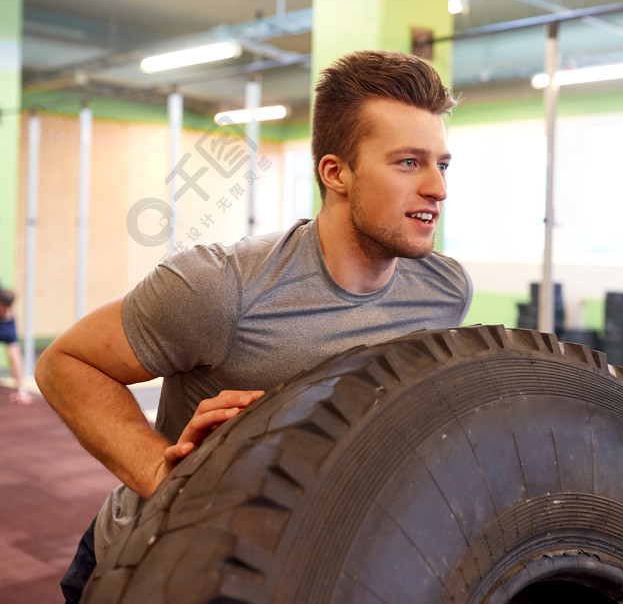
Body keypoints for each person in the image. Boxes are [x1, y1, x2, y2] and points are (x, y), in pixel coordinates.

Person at [35, 49, 473, 602]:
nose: (438, 187)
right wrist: (162, 479)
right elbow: (65, 363)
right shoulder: (221, 287)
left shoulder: (444, 291)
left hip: (299, 554)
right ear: (336, 173)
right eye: (408, 163)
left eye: (443, 164)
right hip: (155, 559)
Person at [0, 287, 31, 405]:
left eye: (6, 307)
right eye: (1, 306)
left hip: (5, 325)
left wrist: (21, 390)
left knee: (14, 353)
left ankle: (21, 391)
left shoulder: (8, 314)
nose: (3, 309)